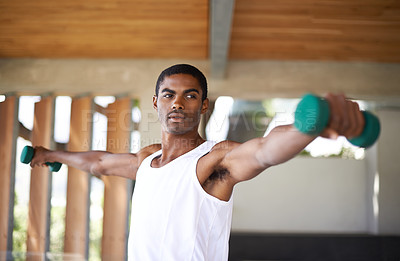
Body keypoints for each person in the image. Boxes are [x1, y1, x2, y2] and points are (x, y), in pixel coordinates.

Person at [30, 64, 365, 261]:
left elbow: (263, 150)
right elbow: (100, 162)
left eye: (190, 95)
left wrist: (309, 126)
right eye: (169, 95)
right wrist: (51, 155)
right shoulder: (147, 160)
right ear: (156, 103)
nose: (178, 103)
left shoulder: (214, 161)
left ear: (204, 106)